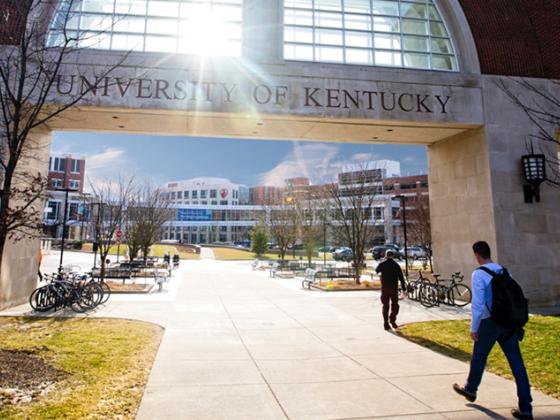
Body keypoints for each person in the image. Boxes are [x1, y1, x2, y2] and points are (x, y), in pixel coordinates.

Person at [453, 241, 533, 420]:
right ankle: (526, 407)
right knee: (517, 364)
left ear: (477, 255)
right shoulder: (504, 271)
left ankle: (471, 389)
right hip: (508, 323)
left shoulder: (479, 274)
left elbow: (478, 304)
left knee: (479, 356)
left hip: (489, 322)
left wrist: (474, 328)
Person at [375, 249, 406, 330]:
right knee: (395, 305)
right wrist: (404, 290)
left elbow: (376, 270)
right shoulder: (396, 265)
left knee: (385, 306)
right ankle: (392, 319)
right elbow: (401, 278)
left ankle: (386, 323)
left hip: (385, 288)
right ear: (393, 256)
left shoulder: (382, 264)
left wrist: (383, 261)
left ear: (386, 255)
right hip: (393, 288)